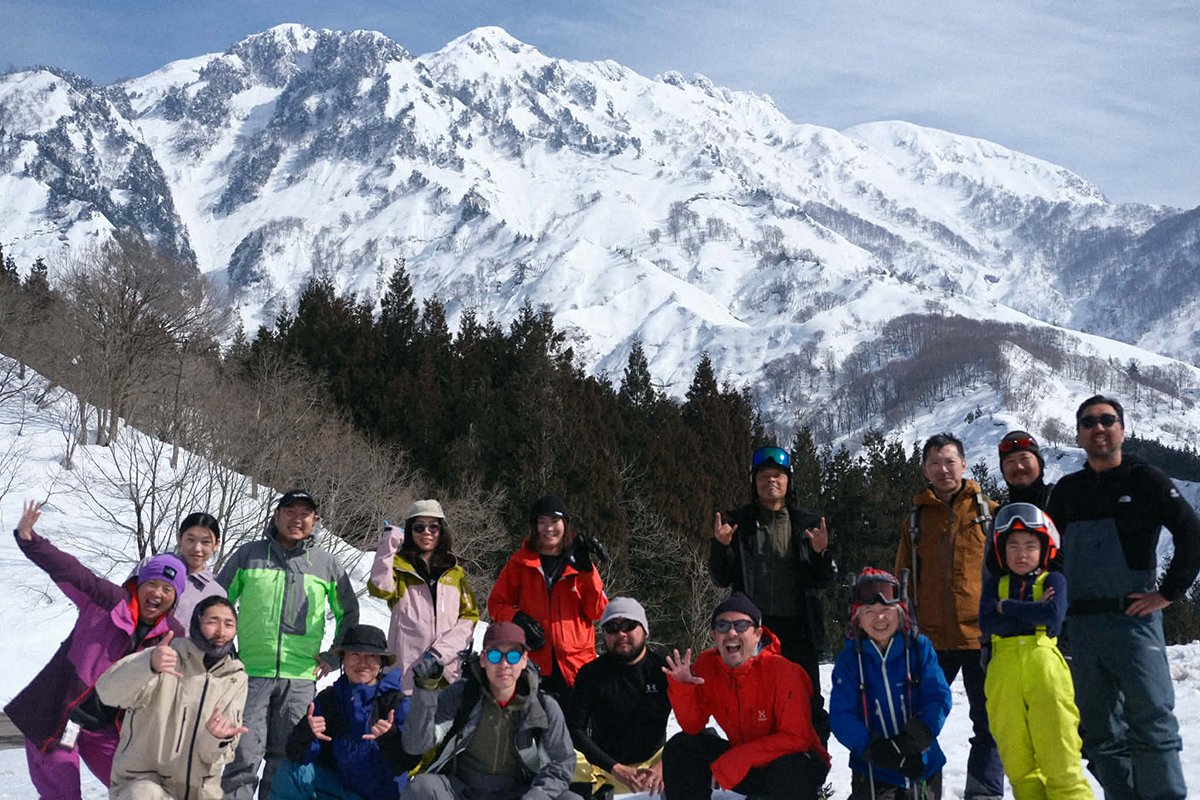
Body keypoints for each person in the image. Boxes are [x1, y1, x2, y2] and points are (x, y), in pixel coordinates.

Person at [1047, 395, 1200, 800]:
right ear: (1079, 434)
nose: (1098, 427)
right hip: (1082, 626)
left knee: (1152, 719)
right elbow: (1047, 553)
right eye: (1088, 422)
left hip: (1133, 621)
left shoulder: (1145, 479)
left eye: (1107, 420)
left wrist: (1167, 594)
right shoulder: (1068, 490)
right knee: (1097, 731)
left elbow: (1191, 532)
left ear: (1122, 429)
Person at [5, 500, 187, 800]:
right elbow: (71, 571)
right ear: (138, 584)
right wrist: (30, 541)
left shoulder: (171, 635)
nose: (158, 593)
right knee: (63, 793)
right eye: (152, 584)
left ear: (175, 597)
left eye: (167, 589)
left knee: (140, 789)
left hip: (106, 728)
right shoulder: (107, 600)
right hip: (58, 715)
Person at [217, 489, 360, 800]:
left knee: (285, 760)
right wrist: (226, 653)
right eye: (290, 512)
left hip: (300, 679)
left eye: (304, 514)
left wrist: (335, 656)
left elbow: (348, 611)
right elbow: (216, 603)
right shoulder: (249, 555)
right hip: (250, 674)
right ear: (276, 515)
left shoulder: (326, 564)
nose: (297, 519)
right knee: (242, 757)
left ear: (315, 521)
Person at [894, 433, 1003, 800]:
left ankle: (983, 793)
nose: (944, 469)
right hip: (930, 639)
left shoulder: (990, 512)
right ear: (925, 469)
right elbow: (901, 578)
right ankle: (922, 790)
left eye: (950, 461)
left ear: (964, 464)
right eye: (935, 463)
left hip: (980, 636)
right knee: (921, 721)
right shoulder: (916, 518)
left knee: (989, 724)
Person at [709, 444, 835, 741]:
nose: (771, 481)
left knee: (807, 702)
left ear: (788, 481)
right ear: (755, 483)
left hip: (798, 629)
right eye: (764, 476)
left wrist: (821, 552)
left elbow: (825, 579)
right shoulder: (737, 523)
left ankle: (813, 772)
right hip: (754, 632)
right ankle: (760, 774)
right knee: (756, 704)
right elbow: (720, 578)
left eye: (777, 475)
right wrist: (721, 547)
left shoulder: (807, 524)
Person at [661, 593, 830, 800]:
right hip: (747, 763)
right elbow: (692, 726)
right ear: (714, 634)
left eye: (741, 625)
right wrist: (683, 688)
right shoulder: (707, 665)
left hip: (795, 763)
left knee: (790, 769)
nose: (731, 632)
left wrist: (741, 758)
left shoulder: (784, 671)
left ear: (758, 634)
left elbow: (798, 739)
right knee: (681, 748)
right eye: (723, 625)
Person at [978, 504, 1092, 800]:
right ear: (1002, 551)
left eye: (1030, 545)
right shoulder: (995, 584)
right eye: (1013, 546)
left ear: (1045, 549)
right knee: (1018, 765)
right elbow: (987, 622)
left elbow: (1053, 616)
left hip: (1045, 668)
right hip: (1003, 673)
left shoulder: (1054, 581)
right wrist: (1033, 609)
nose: (1021, 553)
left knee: (1060, 758)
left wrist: (1007, 607)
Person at [400, 621, 583, 800]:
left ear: (524, 660)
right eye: (495, 655)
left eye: (513, 656)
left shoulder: (544, 707)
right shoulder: (462, 695)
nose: (504, 664)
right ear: (483, 659)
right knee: (421, 788)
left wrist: (537, 796)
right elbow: (415, 745)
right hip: (461, 790)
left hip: (519, 792)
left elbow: (562, 762)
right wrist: (425, 690)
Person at [95, 596, 250, 800]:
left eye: (229, 624)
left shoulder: (235, 677)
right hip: (145, 785)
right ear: (197, 622)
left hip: (201, 794)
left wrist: (218, 738)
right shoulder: (165, 658)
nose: (221, 631)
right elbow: (108, 692)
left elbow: (216, 755)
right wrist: (148, 664)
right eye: (212, 621)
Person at [830, 569, 952, 800]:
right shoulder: (850, 660)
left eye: (886, 610)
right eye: (869, 611)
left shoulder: (919, 648)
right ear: (857, 617)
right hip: (873, 768)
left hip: (922, 762)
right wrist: (875, 749)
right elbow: (841, 714)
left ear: (900, 613)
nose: (879, 618)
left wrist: (913, 740)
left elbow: (937, 696)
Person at [273, 624, 417, 800]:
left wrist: (390, 738)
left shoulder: (397, 703)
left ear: (381, 662)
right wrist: (305, 734)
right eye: (355, 654)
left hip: (382, 796)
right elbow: (295, 754)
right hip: (338, 790)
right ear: (343, 659)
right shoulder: (329, 699)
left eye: (371, 656)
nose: (362, 663)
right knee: (292, 770)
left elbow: (409, 762)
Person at [488, 495, 608, 703]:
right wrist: (517, 619)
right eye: (541, 522)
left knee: (574, 734)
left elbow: (597, 612)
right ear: (534, 526)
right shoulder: (520, 563)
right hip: (533, 664)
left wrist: (588, 571)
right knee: (535, 730)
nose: (548, 529)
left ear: (565, 524)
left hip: (576, 667)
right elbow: (496, 604)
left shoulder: (578, 562)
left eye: (554, 522)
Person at [367, 500, 479, 693]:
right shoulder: (400, 569)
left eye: (433, 527)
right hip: (406, 677)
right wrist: (388, 544)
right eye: (419, 527)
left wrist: (440, 653)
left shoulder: (455, 573)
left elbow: (469, 618)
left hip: (447, 675)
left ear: (441, 531)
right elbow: (379, 588)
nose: (426, 532)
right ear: (410, 531)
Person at [566, 597, 672, 799]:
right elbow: (574, 729)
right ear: (604, 635)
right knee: (565, 758)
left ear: (645, 631)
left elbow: (695, 723)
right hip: (606, 768)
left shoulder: (664, 668)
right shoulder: (591, 673)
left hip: (654, 765)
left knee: (697, 746)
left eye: (629, 626)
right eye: (612, 628)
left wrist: (664, 764)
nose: (621, 634)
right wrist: (615, 768)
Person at [171, 512, 228, 630]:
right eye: (191, 540)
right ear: (180, 538)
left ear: (216, 544)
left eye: (205, 542)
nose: (197, 548)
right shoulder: (152, 568)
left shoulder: (216, 594)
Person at [998, 431, 1054, 509]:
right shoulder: (1002, 517)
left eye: (1024, 458)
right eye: (1010, 462)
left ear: (1039, 463)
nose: (1018, 467)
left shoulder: (1064, 499)